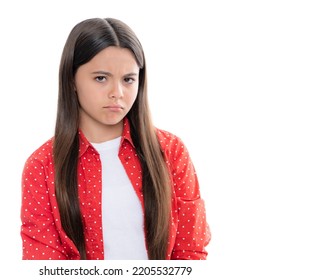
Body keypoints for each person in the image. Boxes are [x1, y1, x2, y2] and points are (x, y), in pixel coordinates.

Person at [20, 18, 210, 260]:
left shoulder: (171, 151)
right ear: (71, 80)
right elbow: (44, 263)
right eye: (101, 78)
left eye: (128, 79)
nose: (117, 93)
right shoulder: (42, 166)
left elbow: (190, 250)